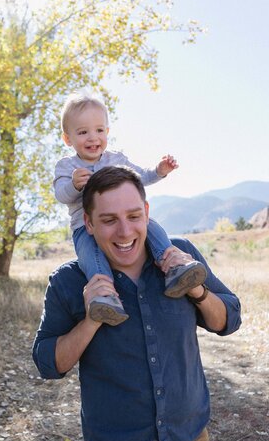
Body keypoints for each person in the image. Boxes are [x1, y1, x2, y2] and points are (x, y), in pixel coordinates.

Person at [33, 166, 241, 441]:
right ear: (88, 223)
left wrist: (197, 290)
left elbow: (228, 318)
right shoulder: (69, 282)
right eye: (108, 220)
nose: (124, 230)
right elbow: (47, 363)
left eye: (133, 215)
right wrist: (92, 318)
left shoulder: (180, 257)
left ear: (147, 211)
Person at [54, 92, 207, 326]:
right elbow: (60, 195)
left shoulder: (116, 159)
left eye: (99, 130)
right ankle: (105, 299)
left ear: (107, 131)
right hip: (85, 228)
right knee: (91, 258)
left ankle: (175, 268)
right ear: (68, 139)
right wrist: (74, 185)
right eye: (83, 132)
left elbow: (141, 177)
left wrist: (159, 171)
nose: (93, 138)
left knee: (150, 227)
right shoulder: (67, 166)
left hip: (126, 218)